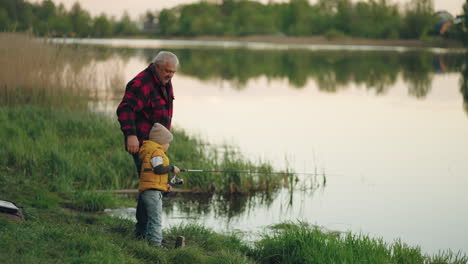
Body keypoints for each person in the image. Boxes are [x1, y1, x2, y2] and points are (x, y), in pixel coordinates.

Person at [116, 51, 179, 174]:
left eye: (173, 72)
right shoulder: (142, 83)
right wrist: (131, 135)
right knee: (150, 181)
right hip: (144, 144)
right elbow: (125, 109)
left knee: (158, 182)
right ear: (156, 66)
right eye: (167, 71)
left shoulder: (164, 81)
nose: (170, 75)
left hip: (158, 144)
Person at [135, 122, 181, 248]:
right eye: (167, 142)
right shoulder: (156, 152)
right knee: (155, 219)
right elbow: (158, 169)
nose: (168, 145)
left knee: (145, 217)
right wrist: (171, 168)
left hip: (149, 190)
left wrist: (164, 186)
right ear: (161, 142)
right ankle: (156, 244)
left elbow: (153, 176)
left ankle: (142, 237)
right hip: (152, 193)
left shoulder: (149, 151)